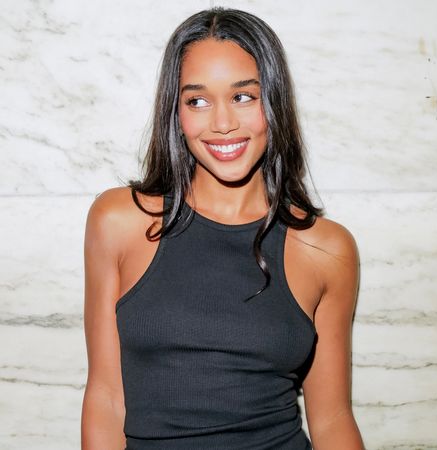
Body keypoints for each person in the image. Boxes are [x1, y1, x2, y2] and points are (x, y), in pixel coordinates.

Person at [81, 7, 364, 450]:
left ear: (273, 101)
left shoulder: (326, 248)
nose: (222, 122)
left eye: (243, 96)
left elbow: (331, 421)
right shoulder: (119, 221)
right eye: (197, 100)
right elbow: (105, 397)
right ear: (175, 113)